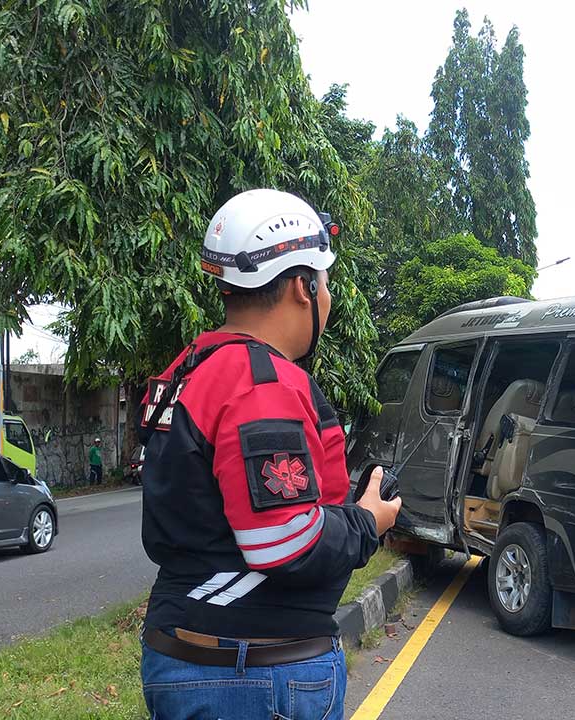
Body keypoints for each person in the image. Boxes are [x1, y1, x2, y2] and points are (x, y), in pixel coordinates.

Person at [137, 189, 401, 719]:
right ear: (302, 288)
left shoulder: (189, 369)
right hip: (254, 676)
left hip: (184, 655)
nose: (328, 297)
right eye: (324, 282)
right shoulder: (262, 384)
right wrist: (368, 521)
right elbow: (283, 541)